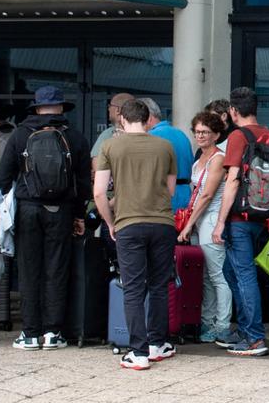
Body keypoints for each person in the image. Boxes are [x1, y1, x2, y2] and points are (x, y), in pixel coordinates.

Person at [0, 85, 93, 351]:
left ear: (37, 108)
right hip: (60, 211)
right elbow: (83, 184)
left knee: (29, 270)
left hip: (28, 209)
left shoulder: (19, 135)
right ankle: (53, 333)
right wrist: (78, 214)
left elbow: (3, 178)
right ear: (61, 108)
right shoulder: (75, 137)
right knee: (56, 270)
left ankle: (29, 333)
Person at [213, 87, 269, 357]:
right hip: (264, 219)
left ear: (233, 111)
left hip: (239, 218)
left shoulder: (238, 137)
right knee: (232, 271)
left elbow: (232, 181)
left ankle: (254, 338)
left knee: (243, 275)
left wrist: (219, 222)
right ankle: (245, 329)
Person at [94, 97, 179, 370]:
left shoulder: (109, 145)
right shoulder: (165, 146)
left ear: (122, 119)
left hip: (128, 223)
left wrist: (110, 222)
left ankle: (138, 352)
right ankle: (158, 344)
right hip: (162, 223)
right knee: (158, 286)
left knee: (132, 288)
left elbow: (99, 192)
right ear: (147, 119)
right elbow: (170, 190)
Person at [179, 108, 233, 345]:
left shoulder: (218, 158)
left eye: (205, 132)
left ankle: (222, 325)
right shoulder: (199, 157)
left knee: (217, 276)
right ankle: (208, 321)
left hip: (210, 218)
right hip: (201, 219)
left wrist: (187, 225)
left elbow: (207, 194)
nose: (200, 136)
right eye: (197, 131)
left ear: (216, 134)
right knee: (207, 277)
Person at [141, 97, 194, 212]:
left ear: (148, 117)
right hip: (185, 196)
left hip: (161, 198)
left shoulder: (149, 137)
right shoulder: (181, 134)